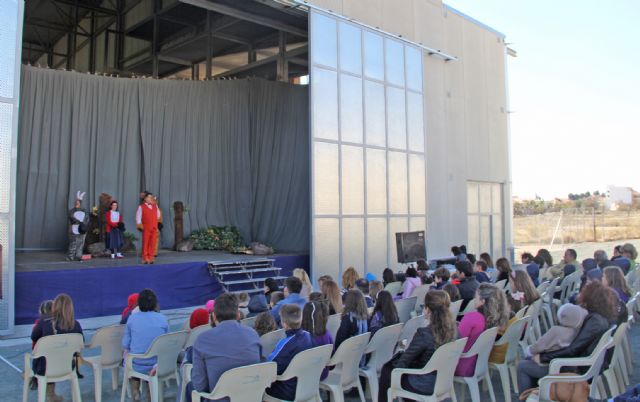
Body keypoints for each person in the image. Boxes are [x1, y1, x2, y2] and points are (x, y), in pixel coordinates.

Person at [516, 281, 617, 393]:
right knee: (529, 362)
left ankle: (530, 397)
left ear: (589, 298)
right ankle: (538, 395)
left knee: (523, 366)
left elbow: (573, 350)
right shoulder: (602, 318)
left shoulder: (594, 322)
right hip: (585, 365)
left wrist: (543, 357)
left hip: (575, 368)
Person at [377, 290, 457, 402]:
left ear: (428, 309)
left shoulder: (424, 333)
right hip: (443, 379)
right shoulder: (454, 329)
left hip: (422, 384)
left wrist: (400, 351)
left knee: (387, 370)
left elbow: (403, 363)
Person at [187, 293, 261, 402]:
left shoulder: (202, 340)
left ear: (214, 316)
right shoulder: (253, 334)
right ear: (238, 315)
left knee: (189, 382)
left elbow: (200, 386)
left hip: (219, 399)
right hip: (251, 397)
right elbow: (262, 366)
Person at [31, 294, 83, 402]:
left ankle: (47, 392)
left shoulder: (43, 322)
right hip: (68, 366)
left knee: (43, 358)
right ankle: (51, 395)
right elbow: (81, 344)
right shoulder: (76, 324)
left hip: (44, 368)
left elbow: (34, 337)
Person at [122, 289, 168, 399]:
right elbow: (167, 342)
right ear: (155, 303)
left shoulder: (132, 319)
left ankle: (135, 393)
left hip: (137, 363)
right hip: (157, 364)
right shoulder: (163, 318)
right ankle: (150, 393)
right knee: (149, 366)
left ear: (139, 304)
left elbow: (125, 344)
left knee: (130, 361)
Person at [456, 283, 508, 377]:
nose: (474, 300)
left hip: (462, 365)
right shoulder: (494, 319)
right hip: (479, 363)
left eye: (476, 297)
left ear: (483, 301)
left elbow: (456, 342)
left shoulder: (472, 317)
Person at [265, 305, 314, 400]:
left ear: (285, 324)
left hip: (286, 390)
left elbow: (269, 367)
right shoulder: (308, 336)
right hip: (307, 384)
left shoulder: (285, 343)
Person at [301, 300, 333, 380]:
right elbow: (332, 355)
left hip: (306, 377)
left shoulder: (301, 338)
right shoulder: (327, 334)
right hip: (323, 374)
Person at [136, 192, 161, 264]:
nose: (151, 199)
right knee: (146, 243)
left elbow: (158, 216)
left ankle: (151, 257)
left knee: (153, 243)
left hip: (154, 227)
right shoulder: (141, 207)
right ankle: (145, 258)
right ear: (145, 199)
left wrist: (155, 206)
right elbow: (138, 218)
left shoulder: (155, 206)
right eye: (149, 197)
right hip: (146, 227)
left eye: (151, 197)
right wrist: (140, 226)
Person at [67, 191, 89, 261]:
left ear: (80, 203)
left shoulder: (84, 211)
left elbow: (86, 219)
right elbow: (71, 218)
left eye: (78, 202)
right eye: (76, 202)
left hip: (81, 230)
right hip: (73, 229)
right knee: (73, 243)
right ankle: (70, 256)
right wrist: (78, 221)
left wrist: (83, 224)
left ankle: (78, 256)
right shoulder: (72, 211)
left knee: (80, 244)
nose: (77, 203)